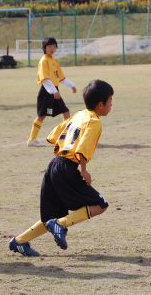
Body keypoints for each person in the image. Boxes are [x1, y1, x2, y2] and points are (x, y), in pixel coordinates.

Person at [9, 80, 113, 256]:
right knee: (100, 205)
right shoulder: (94, 122)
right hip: (67, 167)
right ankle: (61, 225)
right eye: (110, 101)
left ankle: (19, 241)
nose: (111, 105)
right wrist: (84, 170)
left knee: (51, 217)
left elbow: (55, 133)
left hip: (54, 165)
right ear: (100, 105)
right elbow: (83, 147)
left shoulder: (79, 114)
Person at [27, 37, 77, 147]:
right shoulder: (44, 61)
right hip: (47, 92)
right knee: (42, 116)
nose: (52, 48)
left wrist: (71, 85)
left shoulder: (54, 61)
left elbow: (61, 77)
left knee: (66, 112)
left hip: (55, 91)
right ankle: (32, 140)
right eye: (49, 46)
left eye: (54, 46)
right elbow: (44, 79)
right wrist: (53, 91)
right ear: (44, 48)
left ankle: (66, 137)